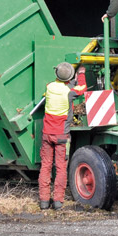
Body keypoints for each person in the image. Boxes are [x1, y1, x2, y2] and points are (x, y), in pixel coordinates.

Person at [38, 62, 87, 210]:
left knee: (45, 167)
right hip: (62, 136)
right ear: (70, 78)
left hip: (47, 134)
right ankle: (58, 202)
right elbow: (82, 89)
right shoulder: (69, 92)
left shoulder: (49, 87)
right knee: (60, 168)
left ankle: (44, 201)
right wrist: (82, 73)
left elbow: (63, 85)